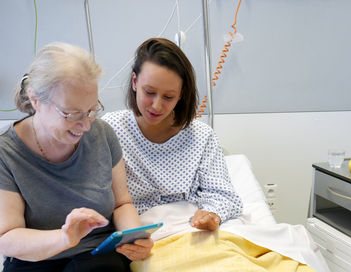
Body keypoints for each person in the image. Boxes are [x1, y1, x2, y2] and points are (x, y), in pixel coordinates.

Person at [0, 42, 153, 272]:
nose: (85, 125)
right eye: (71, 114)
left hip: (96, 255)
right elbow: (8, 236)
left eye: (91, 110)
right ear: (35, 100)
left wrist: (134, 238)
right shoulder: (7, 153)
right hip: (34, 259)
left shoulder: (103, 134)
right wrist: (64, 238)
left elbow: (122, 203)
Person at [102, 38, 243, 231]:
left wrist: (211, 215)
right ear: (135, 82)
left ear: (181, 93)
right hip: (139, 230)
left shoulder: (201, 136)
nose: (157, 105)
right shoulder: (110, 131)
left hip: (190, 229)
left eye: (168, 97)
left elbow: (223, 195)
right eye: (149, 92)